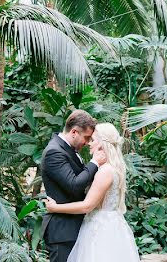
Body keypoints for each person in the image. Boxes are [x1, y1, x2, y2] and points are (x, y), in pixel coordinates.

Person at [45, 123, 140, 262]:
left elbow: (87, 206)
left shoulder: (105, 171)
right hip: (111, 226)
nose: (89, 143)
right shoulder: (111, 168)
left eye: (93, 140)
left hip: (100, 230)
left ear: (102, 145)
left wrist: (55, 208)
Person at [41, 110, 107, 262]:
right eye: (86, 137)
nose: (88, 142)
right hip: (62, 232)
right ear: (74, 132)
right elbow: (74, 185)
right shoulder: (54, 152)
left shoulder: (66, 149)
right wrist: (95, 163)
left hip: (74, 228)